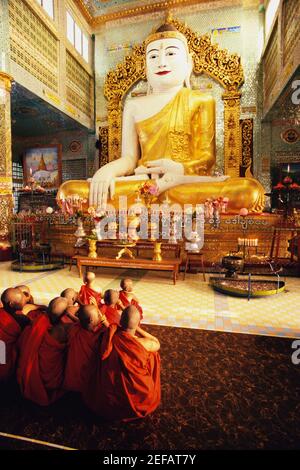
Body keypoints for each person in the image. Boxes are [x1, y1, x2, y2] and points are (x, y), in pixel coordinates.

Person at [57, 22, 265, 213]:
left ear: (188, 63)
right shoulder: (134, 105)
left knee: (249, 190)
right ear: (145, 67)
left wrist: (178, 168)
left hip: (185, 182)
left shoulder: (201, 100)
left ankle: (152, 197)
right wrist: (107, 171)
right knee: (71, 191)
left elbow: (207, 157)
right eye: (154, 56)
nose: (161, 62)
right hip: (144, 181)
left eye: (171, 53)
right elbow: (129, 158)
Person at [83, 305, 160, 420]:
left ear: (120, 321)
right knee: (153, 355)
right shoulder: (143, 343)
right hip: (138, 397)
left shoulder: (109, 335)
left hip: (107, 396)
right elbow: (156, 342)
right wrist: (137, 328)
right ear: (138, 323)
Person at [17, 297, 70, 406]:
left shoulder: (36, 320)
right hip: (49, 377)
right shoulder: (62, 330)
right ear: (65, 314)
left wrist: (39, 306)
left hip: (26, 370)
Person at [64, 304, 108, 393]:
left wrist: (70, 315)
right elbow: (113, 335)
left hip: (70, 382)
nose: (100, 317)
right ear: (91, 320)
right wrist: (106, 323)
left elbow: (80, 322)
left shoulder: (74, 328)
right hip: (88, 385)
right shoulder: (100, 335)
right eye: (98, 315)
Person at [0, 288, 29, 381]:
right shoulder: (22, 320)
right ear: (11, 304)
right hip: (5, 361)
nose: (23, 301)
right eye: (20, 300)